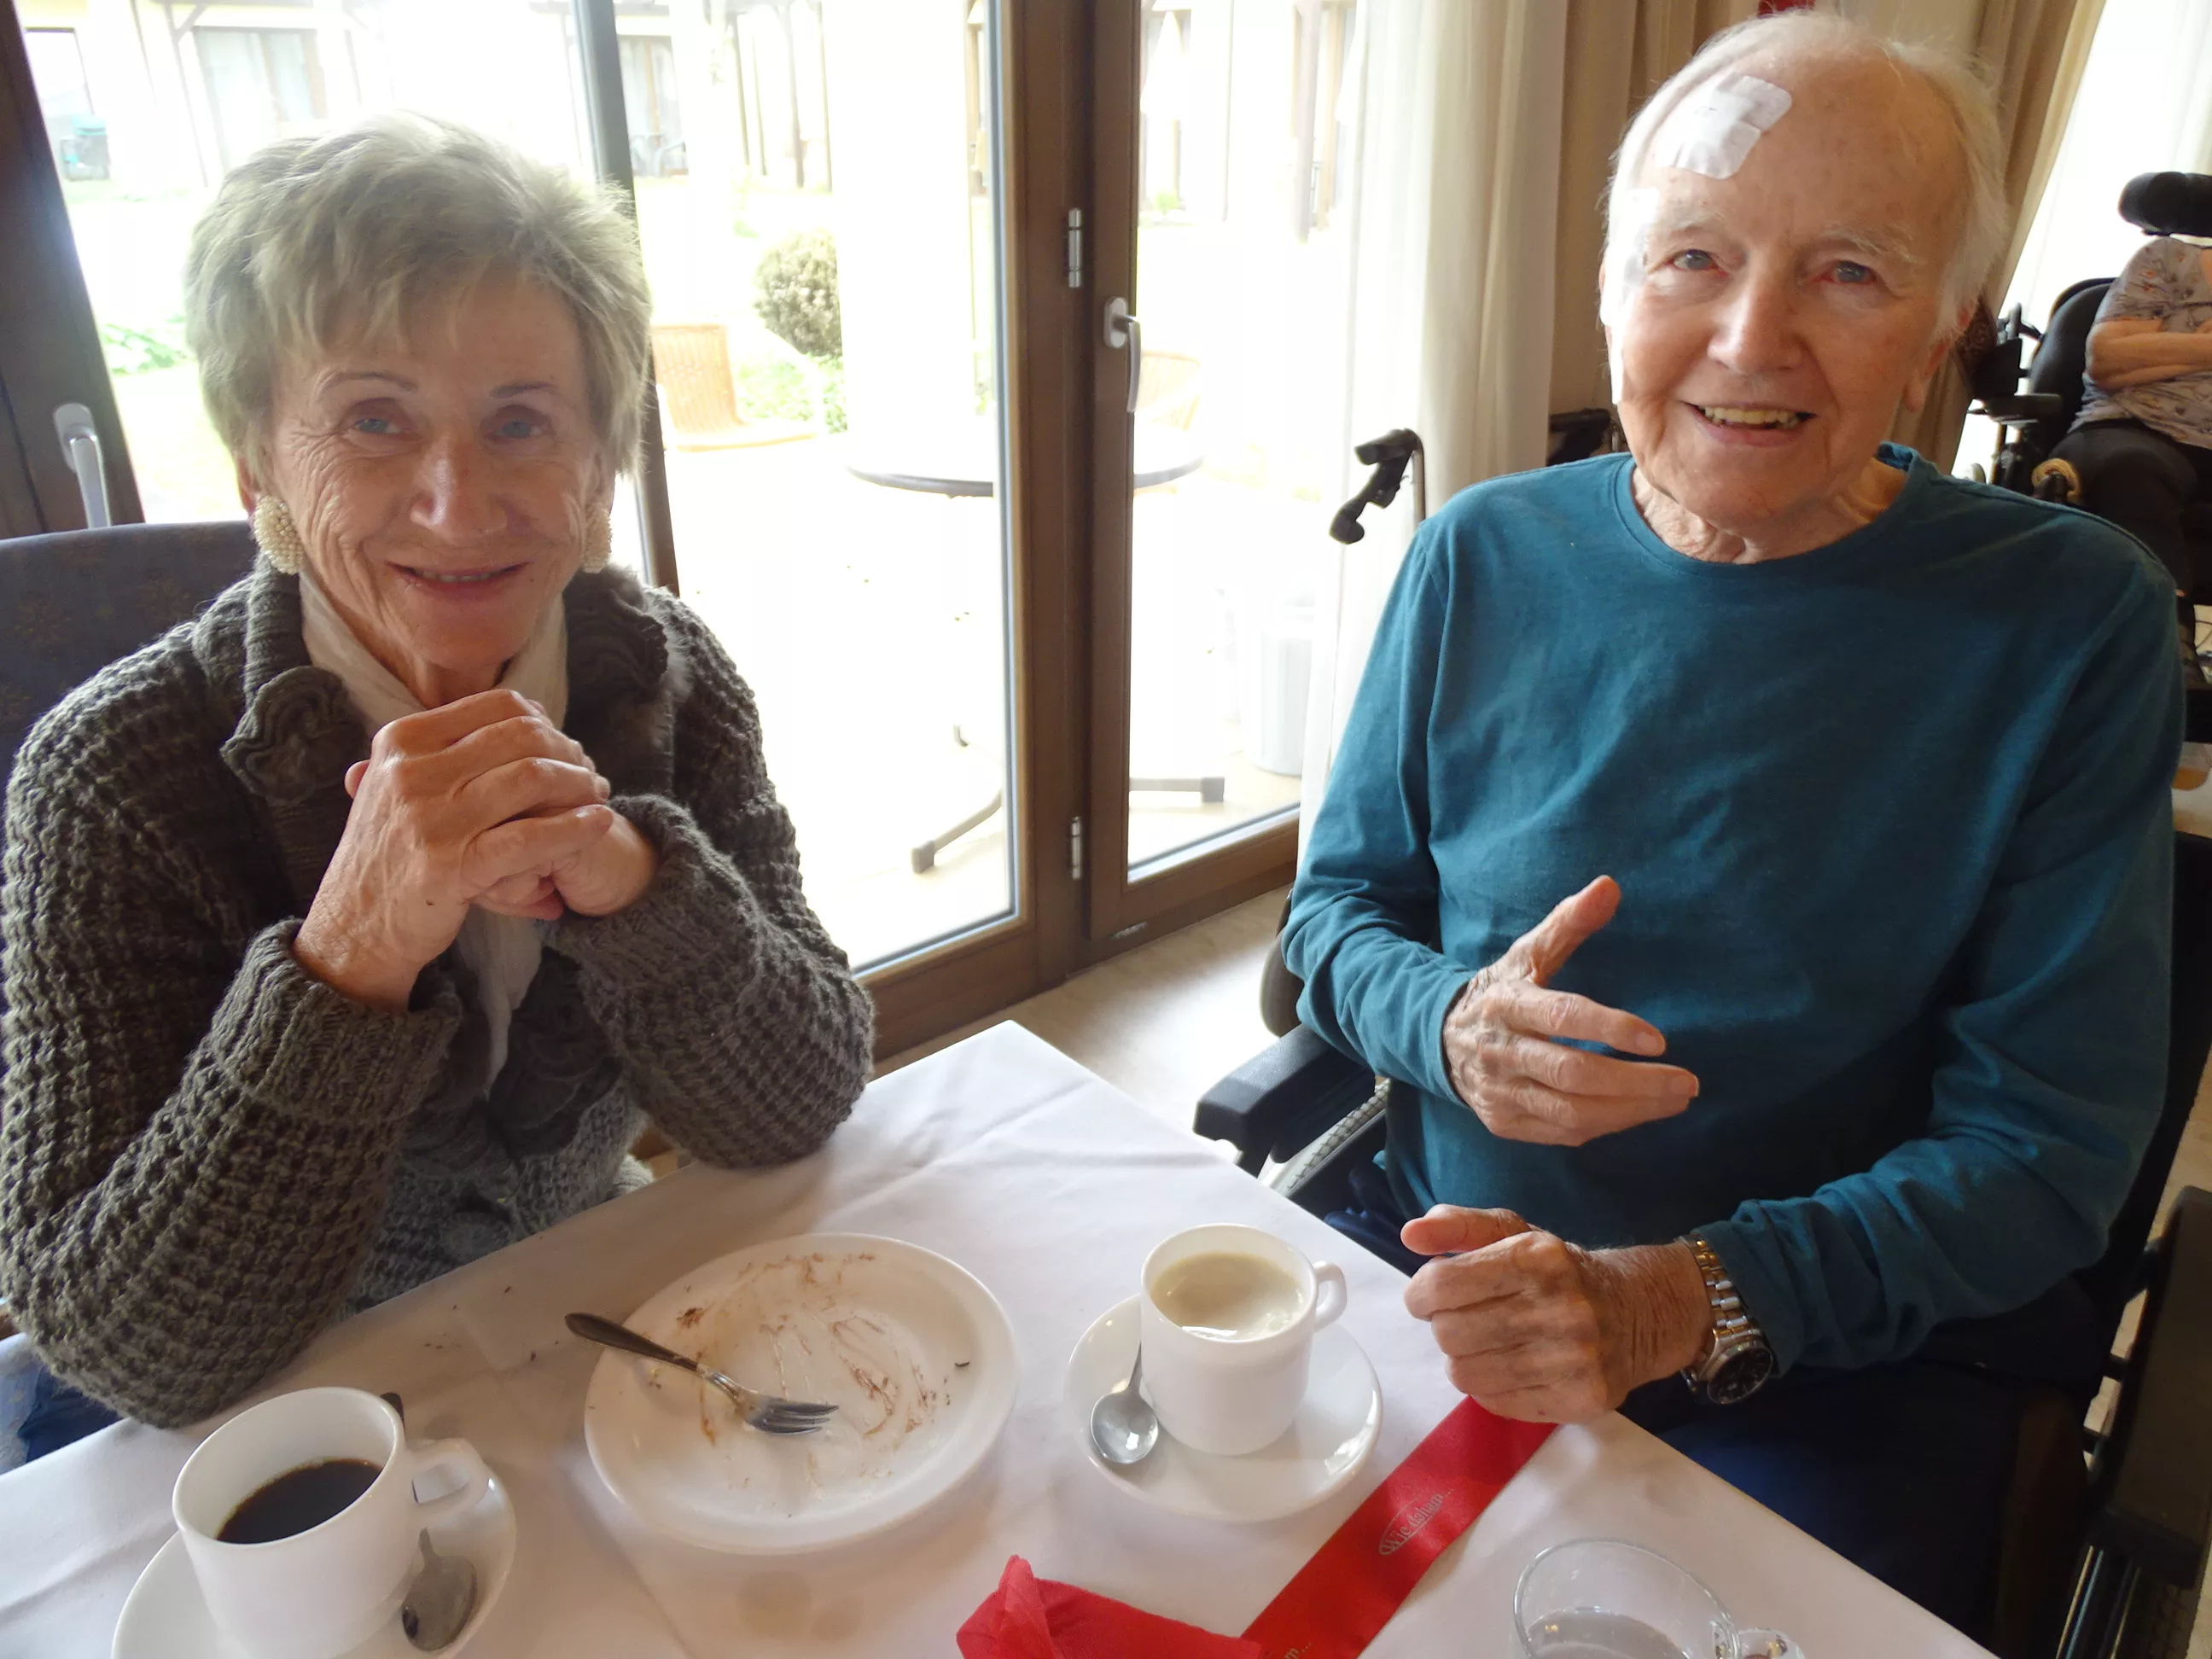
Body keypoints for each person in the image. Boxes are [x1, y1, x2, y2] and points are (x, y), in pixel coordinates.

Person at [1284, 13, 2177, 1639]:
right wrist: (1448, 1024)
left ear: (1945, 324)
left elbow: (2046, 1154)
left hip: (1826, 1361)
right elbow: (1334, 915)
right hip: (1430, 1257)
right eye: (1691, 255)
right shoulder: (1477, 554)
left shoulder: (2067, 623)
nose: (1750, 338)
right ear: (1611, 285)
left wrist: (1673, 1298)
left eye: (1849, 271)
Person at [0, 117, 874, 1435]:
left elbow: (797, 1104)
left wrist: (640, 886)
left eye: (521, 422)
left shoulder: (666, 680)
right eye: (374, 421)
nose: (458, 505)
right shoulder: (111, 776)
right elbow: (129, 1346)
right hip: (288, 1417)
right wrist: (349, 957)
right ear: (257, 465)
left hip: (594, 1318)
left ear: (600, 472)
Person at [2051, 229, 2212, 593]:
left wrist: (2174, 351)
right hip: (2135, 426)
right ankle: (2162, 622)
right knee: (2134, 468)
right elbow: (2107, 361)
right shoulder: (2168, 260)